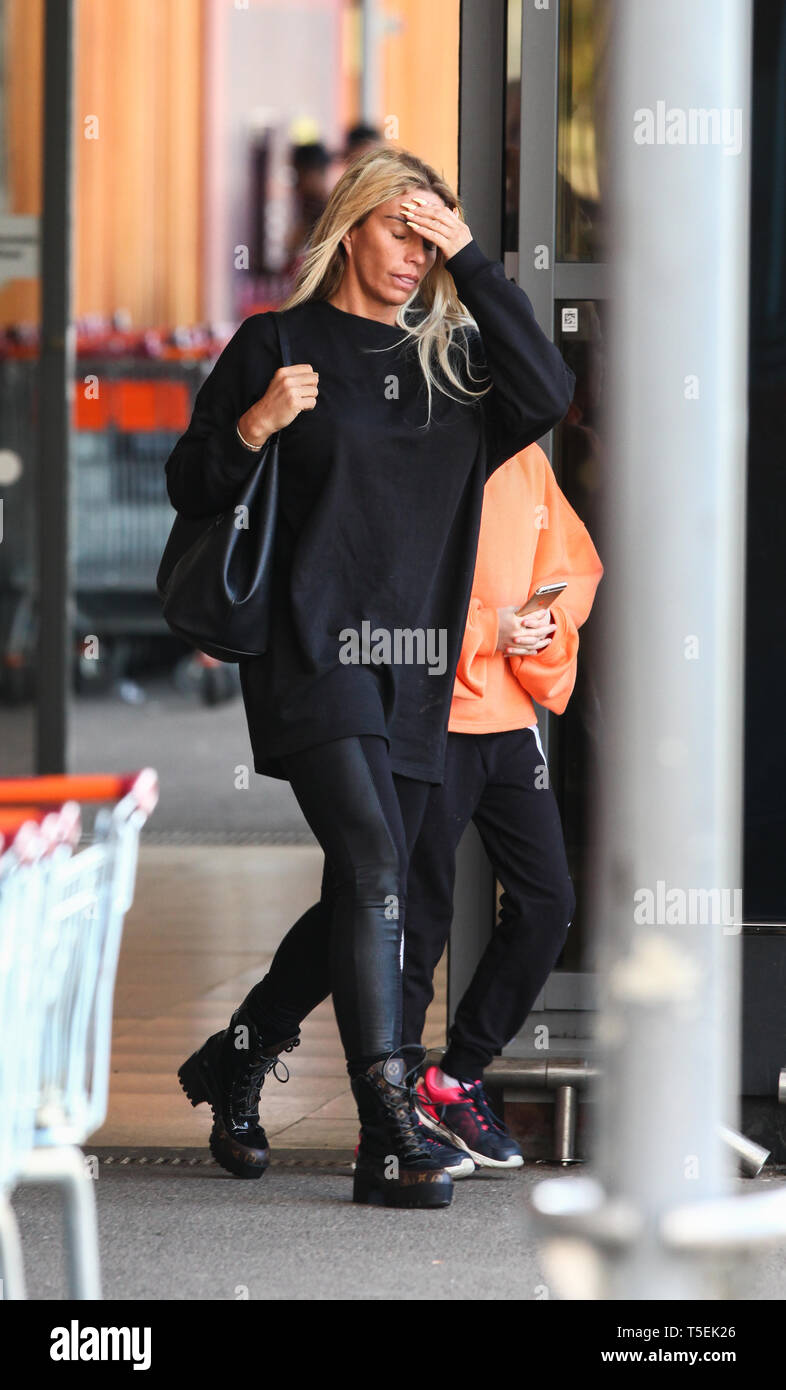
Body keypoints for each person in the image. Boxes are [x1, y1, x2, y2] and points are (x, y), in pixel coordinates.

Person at [166, 145, 575, 1209]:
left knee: (367, 879)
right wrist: (258, 424)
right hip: (314, 655)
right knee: (378, 866)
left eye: (430, 237)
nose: (413, 255)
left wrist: (473, 260)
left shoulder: (457, 362)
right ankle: (391, 1127)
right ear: (352, 225)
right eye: (402, 228)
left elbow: (552, 386)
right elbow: (192, 480)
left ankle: (239, 1053)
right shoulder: (280, 342)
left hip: (418, 670)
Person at [402, 442, 603, 1168]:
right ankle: (389, 1111)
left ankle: (451, 1080)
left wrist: (546, 627)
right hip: (431, 721)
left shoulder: (527, 463)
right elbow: (392, 589)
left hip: (510, 724)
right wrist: (492, 628)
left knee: (548, 904)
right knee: (415, 924)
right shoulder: (420, 446)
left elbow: (571, 570)